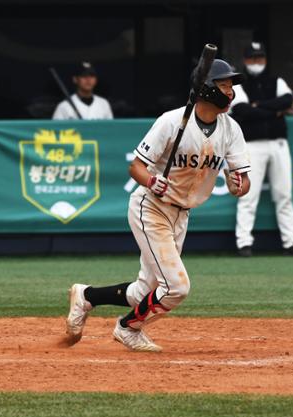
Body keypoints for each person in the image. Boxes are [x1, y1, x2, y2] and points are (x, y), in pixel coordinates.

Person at [65, 59, 251, 351]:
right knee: (176, 287)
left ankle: (86, 296)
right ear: (206, 88)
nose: (230, 91)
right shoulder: (172, 121)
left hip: (181, 214)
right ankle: (127, 328)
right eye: (224, 84)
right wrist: (151, 181)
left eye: (231, 85)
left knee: (147, 291)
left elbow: (241, 178)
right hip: (150, 207)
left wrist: (237, 185)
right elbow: (136, 167)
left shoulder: (231, 129)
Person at [230, 41, 293, 257]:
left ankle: (291, 242)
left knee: (284, 193)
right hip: (251, 145)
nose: (257, 62)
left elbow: (287, 99)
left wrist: (259, 107)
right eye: (253, 58)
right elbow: (242, 111)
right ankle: (244, 243)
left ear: (265, 59)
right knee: (248, 195)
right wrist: (274, 110)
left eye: (260, 58)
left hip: (278, 143)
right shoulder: (238, 84)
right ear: (246, 60)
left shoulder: (277, 80)